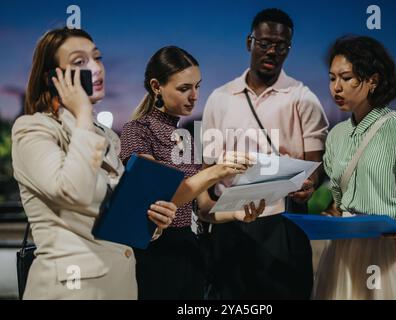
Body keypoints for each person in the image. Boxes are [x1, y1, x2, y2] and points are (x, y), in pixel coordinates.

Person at [11, 27, 177, 299]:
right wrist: (83, 112)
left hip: (119, 284)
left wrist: (153, 221)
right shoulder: (33, 129)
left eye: (96, 57)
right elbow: (74, 191)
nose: (96, 68)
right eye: (79, 62)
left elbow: (114, 214)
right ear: (53, 78)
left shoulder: (105, 135)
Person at [201, 8, 329, 299]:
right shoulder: (219, 98)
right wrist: (206, 207)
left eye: (281, 46)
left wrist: (310, 184)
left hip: (284, 223)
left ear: (289, 49)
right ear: (250, 43)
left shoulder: (303, 98)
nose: (272, 51)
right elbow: (206, 166)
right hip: (230, 220)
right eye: (265, 43)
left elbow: (316, 165)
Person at [119, 46, 265, 300]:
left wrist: (237, 212)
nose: (195, 95)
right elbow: (156, 198)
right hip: (154, 254)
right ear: (157, 87)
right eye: (184, 88)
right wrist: (217, 171)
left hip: (191, 252)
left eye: (197, 86)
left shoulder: (187, 138)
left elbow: (202, 208)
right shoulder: (136, 131)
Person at [313, 35, 396, 300]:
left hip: (390, 251)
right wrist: (327, 216)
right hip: (343, 252)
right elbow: (341, 202)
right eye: (332, 78)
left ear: (373, 80)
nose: (336, 87)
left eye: (346, 78)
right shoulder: (336, 135)